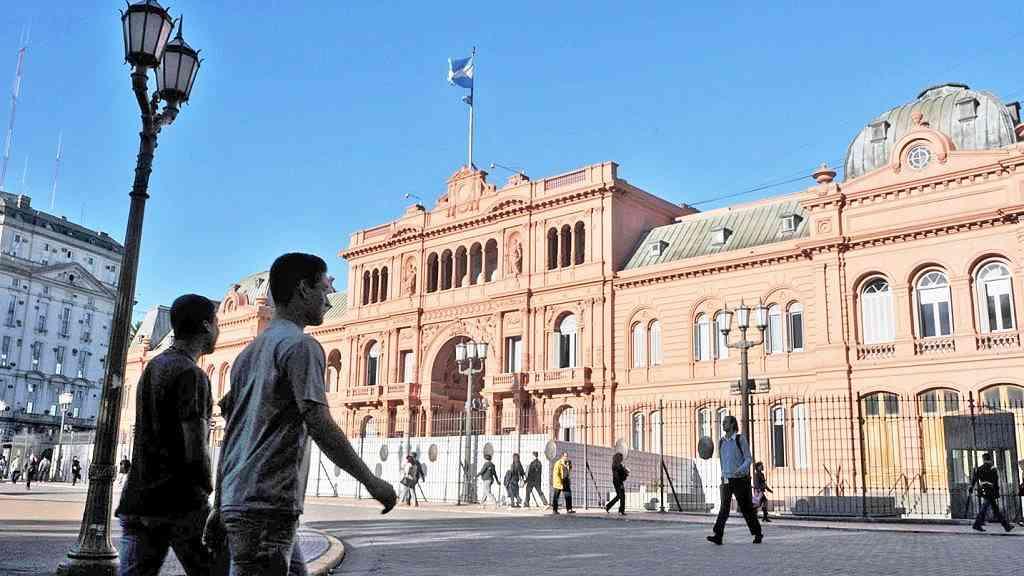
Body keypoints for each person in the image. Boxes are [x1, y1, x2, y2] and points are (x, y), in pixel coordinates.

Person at [213, 253, 396, 576]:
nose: (328, 299)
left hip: (241, 498)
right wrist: (371, 481)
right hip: (268, 504)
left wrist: (219, 505)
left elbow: (232, 433)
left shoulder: (247, 355)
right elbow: (319, 424)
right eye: (323, 289)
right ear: (303, 289)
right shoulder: (302, 347)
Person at [114, 293, 220, 576]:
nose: (218, 330)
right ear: (206, 325)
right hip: (179, 502)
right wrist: (207, 493)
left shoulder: (153, 366)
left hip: (139, 498)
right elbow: (195, 446)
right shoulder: (192, 374)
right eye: (217, 322)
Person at [706, 415, 762, 545]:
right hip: (727, 480)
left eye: (725, 422)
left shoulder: (739, 439)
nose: (723, 424)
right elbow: (723, 461)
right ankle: (718, 535)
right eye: (723, 422)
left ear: (732, 424)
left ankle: (757, 533)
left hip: (740, 479)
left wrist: (740, 470)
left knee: (746, 508)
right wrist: (723, 474)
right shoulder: (721, 442)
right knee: (724, 508)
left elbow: (748, 459)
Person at [969, 452, 1013, 533]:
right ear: (990, 459)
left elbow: (974, 479)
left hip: (984, 490)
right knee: (986, 508)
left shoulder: (979, 468)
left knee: (993, 508)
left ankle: (1006, 526)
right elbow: (995, 480)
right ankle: (977, 524)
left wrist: (971, 487)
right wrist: (996, 491)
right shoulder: (992, 468)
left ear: (983, 459)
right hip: (991, 491)